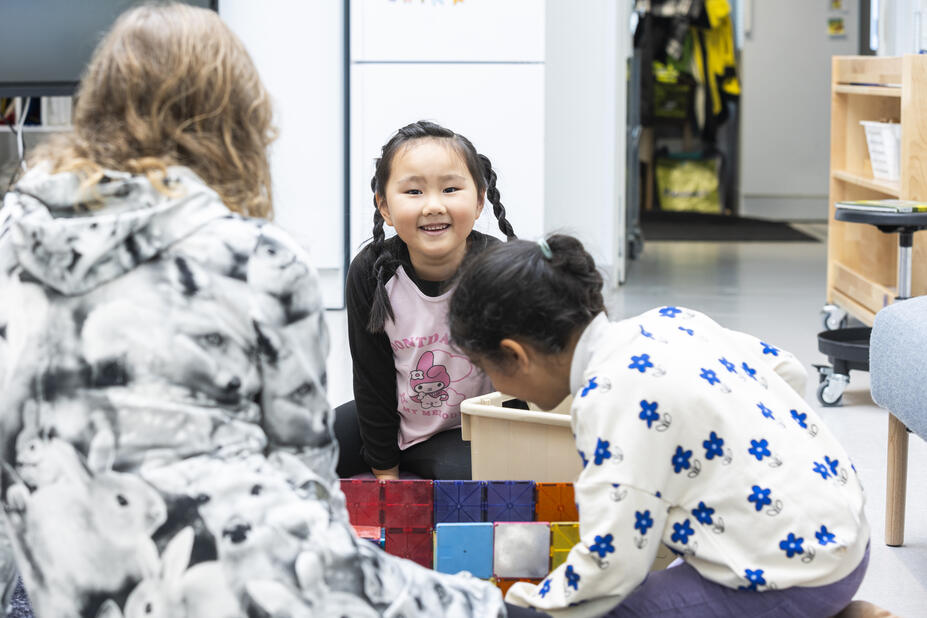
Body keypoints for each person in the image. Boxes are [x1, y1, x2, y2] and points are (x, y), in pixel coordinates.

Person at [0, 5, 515, 617]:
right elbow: (300, 486)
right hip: (224, 578)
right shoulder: (261, 260)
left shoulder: (12, 238)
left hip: (58, 574)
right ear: (237, 118)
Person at [448, 234, 870, 618]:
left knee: (603, 611)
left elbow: (611, 566)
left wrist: (523, 607)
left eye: (486, 368)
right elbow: (787, 369)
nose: (493, 383)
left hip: (792, 578)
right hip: (845, 535)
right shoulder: (668, 321)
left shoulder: (609, 399)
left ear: (516, 355)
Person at [334, 120, 516, 480]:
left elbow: (518, 382)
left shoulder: (497, 269)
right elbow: (372, 381)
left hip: (465, 430)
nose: (433, 206)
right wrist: (386, 474)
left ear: (479, 200)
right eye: (414, 192)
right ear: (384, 207)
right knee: (298, 452)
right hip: (398, 411)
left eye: (450, 189)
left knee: (475, 483)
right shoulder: (372, 272)